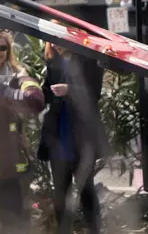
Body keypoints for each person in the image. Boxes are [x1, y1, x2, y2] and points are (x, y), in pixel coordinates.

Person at [38, 41, 109, 234]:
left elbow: (93, 94)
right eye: (50, 40)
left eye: (59, 38)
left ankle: (95, 229)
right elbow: (45, 92)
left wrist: (70, 90)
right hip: (58, 133)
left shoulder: (88, 61)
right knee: (60, 189)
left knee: (86, 186)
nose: (54, 44)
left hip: (82, 133)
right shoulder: (53, 62)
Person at [0, 35, 45, 233]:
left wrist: (7, 92)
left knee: (14, 225)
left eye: (2, 47)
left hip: (8, 166)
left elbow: (35, 101)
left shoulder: (17, 77)